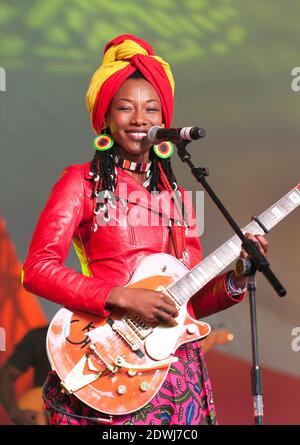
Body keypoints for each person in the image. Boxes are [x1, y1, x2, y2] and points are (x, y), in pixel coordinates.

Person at [22, 34, 268, 425]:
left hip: (175, 376)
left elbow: (189, 305)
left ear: (165, 122)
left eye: (151, 109)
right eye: (125, 108)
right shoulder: (80, 182)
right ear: (105, 117)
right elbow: (37, 269)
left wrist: (238, 275)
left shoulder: (179, 197)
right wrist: (122, 297)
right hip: (109, 361)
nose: (140, 119)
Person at [0, 326, 51, 425]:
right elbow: (7, 374)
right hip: (41, 416)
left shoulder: (90, 341)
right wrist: (15, 412)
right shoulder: (41, 336)